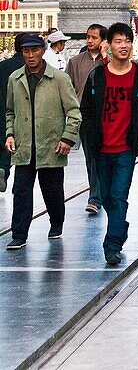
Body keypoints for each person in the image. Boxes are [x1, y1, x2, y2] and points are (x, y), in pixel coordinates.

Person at [80, 22, 138, 267]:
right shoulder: (98, 75)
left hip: (125, 149)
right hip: (101, 148)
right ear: (108, 46)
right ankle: (119, 227)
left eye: (127, 41)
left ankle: (111, 245)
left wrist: (137, 131)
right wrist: (91, 137)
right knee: (109, 198)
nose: (124, 46)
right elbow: (86, 109)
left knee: (119, 196)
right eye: (118, 41)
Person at [5, 33, 81, 249]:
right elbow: (10, 111)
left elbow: (74, 111)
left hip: (52, 145)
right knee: (20, 191)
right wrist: (10, 133)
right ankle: (19, 233)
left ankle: (57, 222)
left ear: (42, 50)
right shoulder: (15, 79)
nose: (30, 55)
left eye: (35, 50)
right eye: (26, 51)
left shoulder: (59, 79)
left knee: (53, 190)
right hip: (24, 145)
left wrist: (67, 138)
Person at [67, 23, 109, 215]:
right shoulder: (76, 62)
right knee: (91, 157)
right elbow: (67, 88)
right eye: (88, 37)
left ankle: (104, 192)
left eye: (94, 37)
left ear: (103, 41)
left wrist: (106, 56)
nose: (90, 40)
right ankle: (95, 196)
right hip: (85, 116)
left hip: (108, 116)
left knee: (105, 157)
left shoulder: (110, 61)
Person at [0, 34, 26, 194]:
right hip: (22, 114)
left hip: (2, 110)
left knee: (3, 142)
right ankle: (4, 168)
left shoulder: (2, 66)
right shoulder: (30, 67)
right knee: (13, 146)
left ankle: (2, 169)